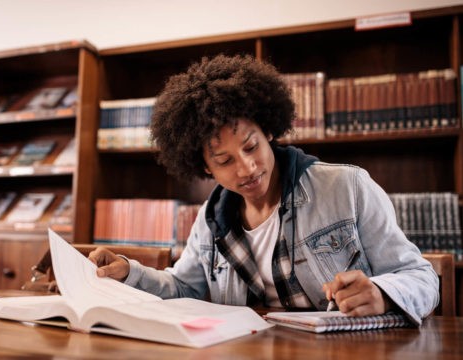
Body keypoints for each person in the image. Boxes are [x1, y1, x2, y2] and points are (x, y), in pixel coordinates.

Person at [88, 54, 439, 325]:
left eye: (252, 146)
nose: (247, 168)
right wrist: (127, 270)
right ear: (204, 167)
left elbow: (422, 279)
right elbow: (185, 288)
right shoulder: (211, 221)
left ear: (269, 131)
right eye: (224, 161)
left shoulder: (348, 187)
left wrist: (382, 293)